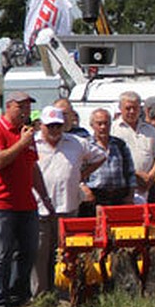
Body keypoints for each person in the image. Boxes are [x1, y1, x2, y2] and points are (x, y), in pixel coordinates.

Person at [0, 91, 52, 307]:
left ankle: (19, 295)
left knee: (29, 250)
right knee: (1, 253)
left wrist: (45, 196)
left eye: (28, 107)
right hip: (1, 202)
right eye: (20, 107)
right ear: (9, 106)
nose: (25, 111)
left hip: (26, 202)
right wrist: (22, 143)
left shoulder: (26, 135)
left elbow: (32, 168)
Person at [33, 106, 105, 295]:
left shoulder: (77, 142)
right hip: (39, 207)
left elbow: (100, 156)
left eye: (58, 126)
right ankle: (40, 295)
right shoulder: (32, 143)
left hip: (68, 206)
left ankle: (65, 292)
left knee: (66, 253)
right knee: (40, 254)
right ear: (42, 126)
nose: (54, 130)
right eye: (50, 126)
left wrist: (82, 175)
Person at [81, 108, 136, 215]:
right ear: (92, 125)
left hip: (119, 197)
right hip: (95, 197)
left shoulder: (120, 144)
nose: (103, 127)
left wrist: (130, 195)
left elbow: (130, 172)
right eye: (99, 124)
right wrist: (84, 188)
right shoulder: (85, 146)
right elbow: (77, 171)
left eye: (106, 123)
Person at [114, 91, 155, 203]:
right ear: (120, 108)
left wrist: (150, 177)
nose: (132, 111)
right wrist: (136, 175)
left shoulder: (150, 130)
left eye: (135, 108)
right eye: (128, 108)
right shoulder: (114, 130)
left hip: (149, 187)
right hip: (125, 187)